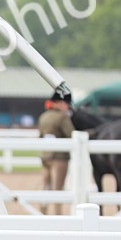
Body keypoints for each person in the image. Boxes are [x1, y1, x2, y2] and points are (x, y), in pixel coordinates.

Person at [37, 86, 74, 215]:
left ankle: (43, 212)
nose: (67, 106)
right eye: (66, 104)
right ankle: (58, 215)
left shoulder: (44, 116)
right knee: (58, 188)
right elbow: (72, 134)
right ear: (60, 103)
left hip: (45, 156)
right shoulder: (62, 117)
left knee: (45, 186)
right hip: (59, 157)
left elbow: (40, 135)